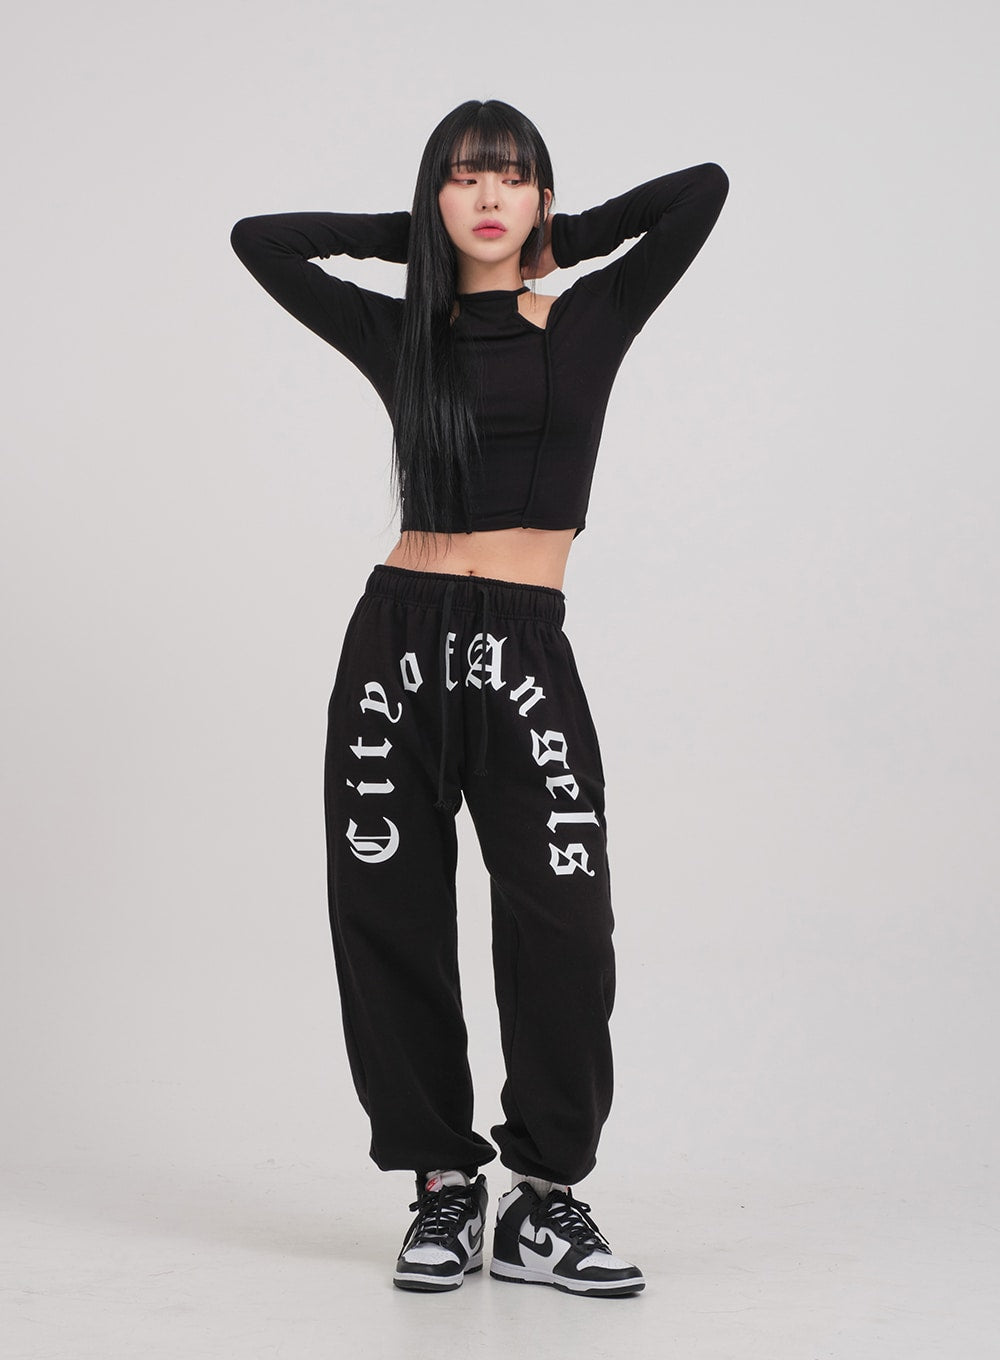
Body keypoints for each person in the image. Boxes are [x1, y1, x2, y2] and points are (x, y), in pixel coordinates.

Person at [230, 97, 729, 1298]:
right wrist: (415, 242)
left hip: (523, 647)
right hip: (396, 646)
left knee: (564, 922)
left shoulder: (593, 313)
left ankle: (542, 1196)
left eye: (510, 176)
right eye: (462, 178)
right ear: (435, 198)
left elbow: (700, 190)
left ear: (543, 195)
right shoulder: (400, 331)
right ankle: (441, 1185)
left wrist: (563, 241)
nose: (489, 195)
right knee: (388, 914)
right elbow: (261, 240)